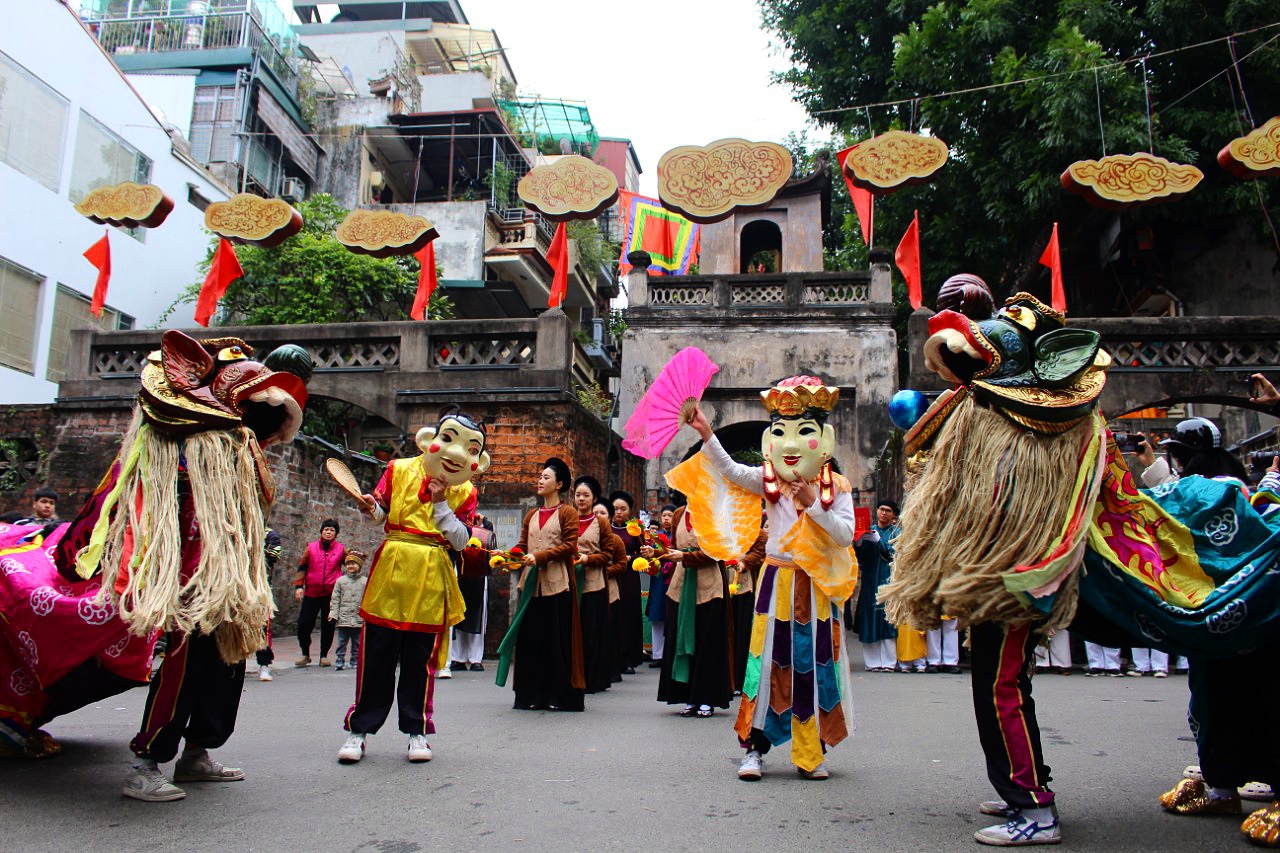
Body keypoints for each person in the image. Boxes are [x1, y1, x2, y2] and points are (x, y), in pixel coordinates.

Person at [672, 376, 856, 782]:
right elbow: (732, 471)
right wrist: (706, 431)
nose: (790, 445)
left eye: (804, 432)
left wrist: (814, 506)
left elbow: (844, 534)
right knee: (765, 663)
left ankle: (811, 752)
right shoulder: (770, 481)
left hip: (815, 587)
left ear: (823, 439)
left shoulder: (835, 488)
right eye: (781, 433)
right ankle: (754, 748)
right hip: (775, 582)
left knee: (812, 664)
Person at [337, 410, 489, 764]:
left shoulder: (465, 489)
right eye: (448, 439)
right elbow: (382, 514)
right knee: (376, 656)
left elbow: (460, 539)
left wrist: (440, 502)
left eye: (468, 447)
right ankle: (358, 730)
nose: (454, 453)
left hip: (432, 571)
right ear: (428, 440)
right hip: (393, 566)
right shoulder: (399, 469)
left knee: (422, 659)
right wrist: (371, 508)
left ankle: (417, 731)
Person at [495, 458, 584, 711]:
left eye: (546, 477)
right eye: (540, 476)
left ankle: (558, 696)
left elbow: (570, 546)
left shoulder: (567, 513)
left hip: (558, 584)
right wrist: (508, 556)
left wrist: (541, 556)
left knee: (556, 642)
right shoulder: (532, 514)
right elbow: (523, 545)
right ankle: (531, 695)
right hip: (531, 585)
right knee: (530, 641)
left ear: (559, 485)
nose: (540, 480)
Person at [656, 504, 734, 717]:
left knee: (707, 644)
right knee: (680, 640)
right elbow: (673, 547)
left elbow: (717, 552)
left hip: (709, 587)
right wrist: (656, 552)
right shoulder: (680, 513)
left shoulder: (715, 512)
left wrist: (684, 557)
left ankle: (706, 698)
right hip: (681, 586)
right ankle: (688, 697)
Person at [573, 475, 621, 693]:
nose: (581, 499)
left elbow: (607, 554)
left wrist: (588, 559)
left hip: (594, 583)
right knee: (573, 632)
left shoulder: (600, 522)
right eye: (578, 495)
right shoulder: (567, 518)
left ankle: (592, 678)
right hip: (571, 582)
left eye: (586, 495)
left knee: (591, 633)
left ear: (594, 499)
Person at [854, 501, 899, 672]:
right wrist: (859, 543)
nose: (884, 513)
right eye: (882, 509)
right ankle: (872, 661)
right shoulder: (869, 529)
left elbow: (893, 552)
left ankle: (888, 661)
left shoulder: (896, 532)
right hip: (870, 579)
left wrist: (879, 541)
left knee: (886, 619)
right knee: (869, 616)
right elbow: (861, 557)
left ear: (893, 515)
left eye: (888, 511)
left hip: (888, 579)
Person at [294, 520, 346, 667]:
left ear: (336, 534)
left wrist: (357, 558)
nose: (328, 532)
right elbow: (302, 567)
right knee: (304, 624)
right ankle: (305, 653)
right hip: (311, 591)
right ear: (321, 531)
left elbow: (351, 563)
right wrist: (299, 586)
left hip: (331, 593)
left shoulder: (341, 549)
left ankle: (324, 655)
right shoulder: (310, 548)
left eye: (332, 530)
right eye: (326, 529)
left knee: (328, 625)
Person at [449, 516, 494, 673]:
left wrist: (481, 524)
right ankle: (458, 657)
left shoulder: (485, 523)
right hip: (459, 572)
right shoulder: (455, 518)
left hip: (479, 574)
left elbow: (488, 539)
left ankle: (475, 658)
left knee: (477, 615)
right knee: (458, 615)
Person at [609, 490, 646, 674]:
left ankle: (629, 657)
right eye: (615, 509)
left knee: (628, 614)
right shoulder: (606, 527)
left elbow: (644, 551)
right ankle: (611, 657)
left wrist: (632, 557)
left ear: (629, 511)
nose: (619, 512)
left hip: (630, 576)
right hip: (612, 574)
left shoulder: (634, 529)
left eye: (623, 509)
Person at [731, 524, 767, 693]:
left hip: (744, 585)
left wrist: (745, 563)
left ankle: (740, 680)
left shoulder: (757, 532)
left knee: (742, 634)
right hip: (720, 582)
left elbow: (759, 552)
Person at [648, 504, 677, 667]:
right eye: (664, 515)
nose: (666, 518)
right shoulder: (655, 538)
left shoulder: (678, 537)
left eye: (670, 515)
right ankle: (658, 654)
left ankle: (670, 653)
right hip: (658, 579)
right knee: (657, 615)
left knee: (671, 615)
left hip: (673, 578)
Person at [329, 551, 367, 672]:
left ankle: (354, 660)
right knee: (341, 642)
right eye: (349, 563)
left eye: (354, 564)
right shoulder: (340, 581)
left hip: (358, 618)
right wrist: (333, 613)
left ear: (359, 566)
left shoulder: (364, 582)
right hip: (343, 618)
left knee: (357, 643)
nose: (351, 566)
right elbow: (335, 598)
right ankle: (340, 660)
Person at [256, 526, 283, 682]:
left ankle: (264, 665)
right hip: (237, 587)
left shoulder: (270, 534)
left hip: (262, 588)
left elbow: (273, 554)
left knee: (263, 628)